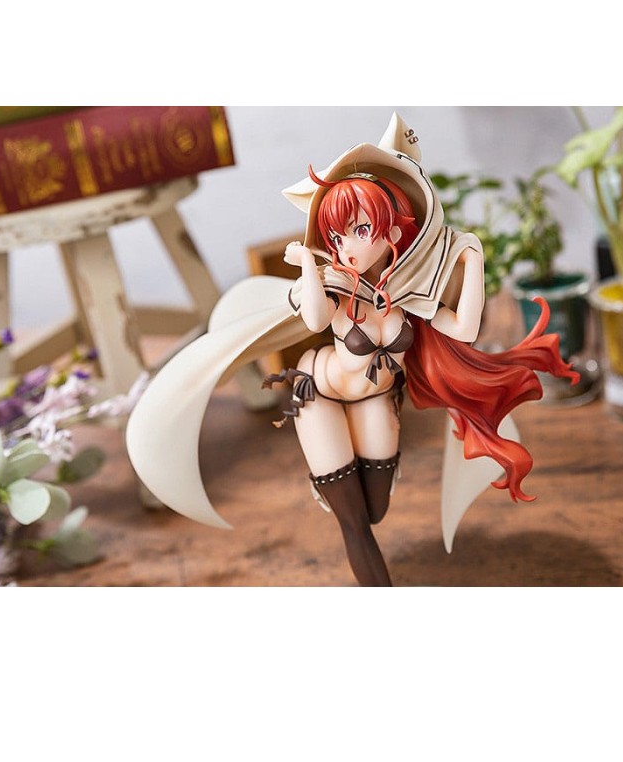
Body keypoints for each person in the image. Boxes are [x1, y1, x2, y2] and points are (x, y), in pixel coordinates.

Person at [126, 113, 578, 587]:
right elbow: (315, 320)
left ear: (393, 233)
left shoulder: (408, 296)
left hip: (375, 398)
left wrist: (474, 257)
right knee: (355, 522)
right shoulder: (336, 286)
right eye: (338, 236)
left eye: (360, 231)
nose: (346, 247)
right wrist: (308, 264)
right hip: (319, 393)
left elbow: (463, 329)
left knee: (375, 509)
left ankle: (346, 500)